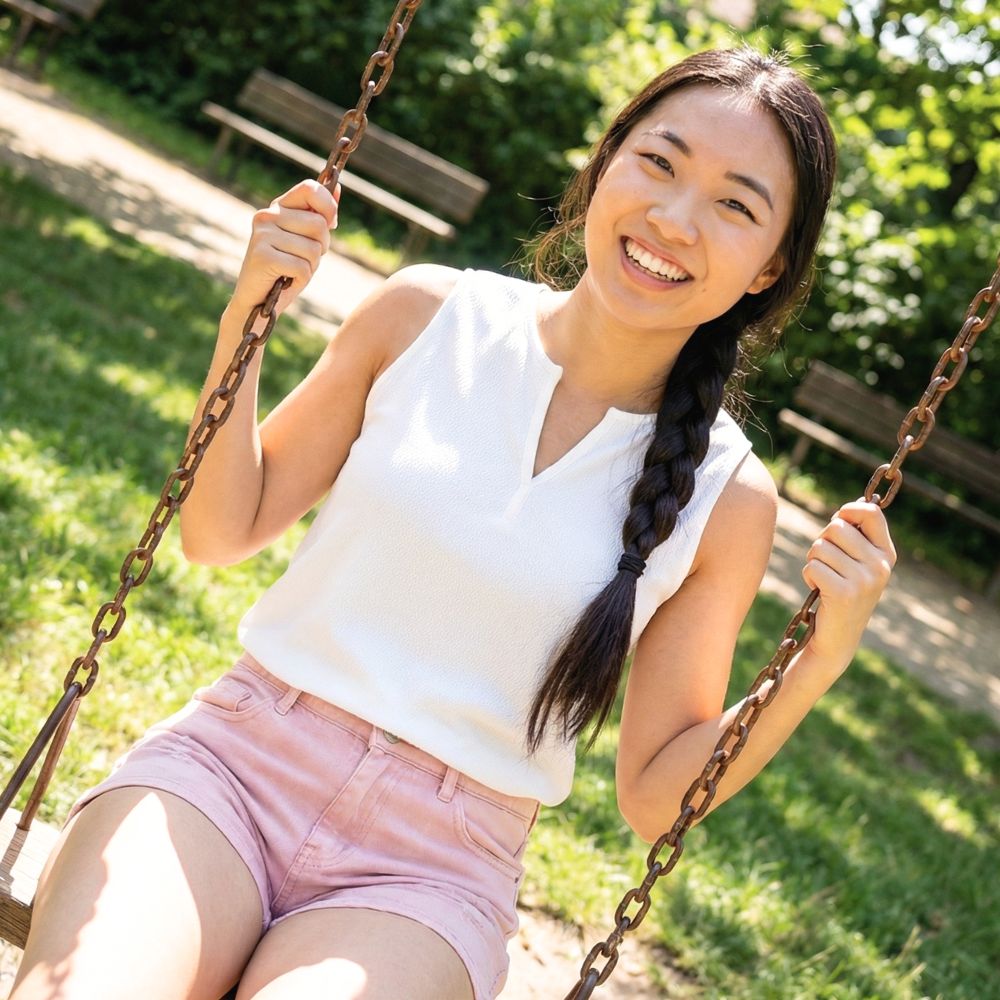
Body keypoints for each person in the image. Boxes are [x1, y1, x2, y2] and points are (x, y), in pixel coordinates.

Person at [11, 44, 896, 1000]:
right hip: (232, 768)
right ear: (604, 167)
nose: (674, 220)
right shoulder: (427, 314)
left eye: (735, 204)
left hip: (432, 873)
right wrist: (247, 322)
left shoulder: (726, 497)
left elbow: (654, 798)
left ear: (769, 268)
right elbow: (220, 532)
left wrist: (818, 660)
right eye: (660, 162)